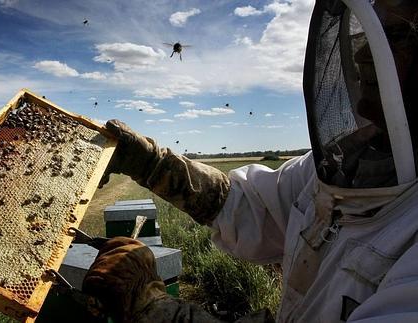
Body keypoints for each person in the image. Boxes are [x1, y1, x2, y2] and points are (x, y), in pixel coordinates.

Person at [82, 0, 418, 322]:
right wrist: (151, 164)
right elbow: (250, 207)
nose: (362, 53)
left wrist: (153, 311)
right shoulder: (340, 169)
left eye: (398, 36)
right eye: (371, 34)